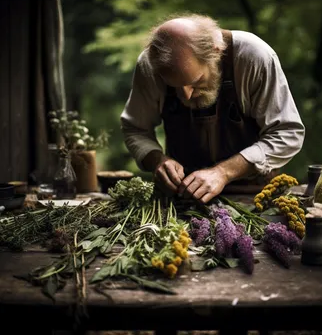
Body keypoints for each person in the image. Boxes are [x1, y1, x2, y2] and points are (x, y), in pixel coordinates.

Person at [120, 13, 305, 203]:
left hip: (256, 197)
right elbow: (136, 129)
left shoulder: (253, 57)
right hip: (183, 199)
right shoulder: (150, 65)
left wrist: (223, 172)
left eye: (195, 81)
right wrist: (157, 160)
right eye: (175, 87)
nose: (185, 96)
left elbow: (287, 132)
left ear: (216, 52)